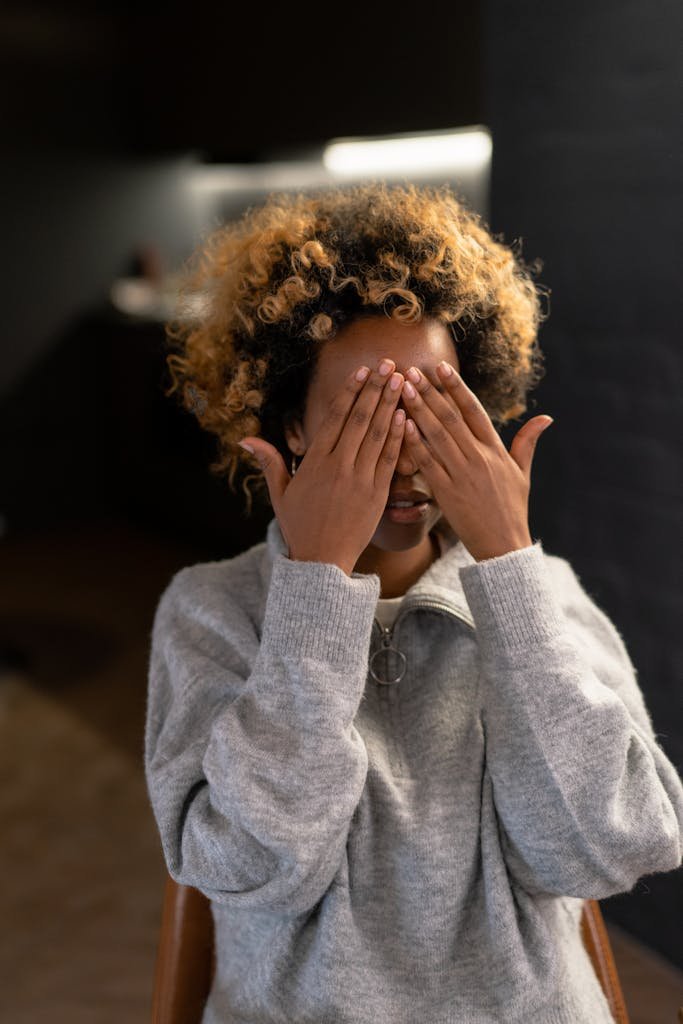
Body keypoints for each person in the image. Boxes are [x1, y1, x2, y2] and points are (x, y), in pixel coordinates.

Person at [144, 181, 683, 1023]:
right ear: (290, 427)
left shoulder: (542, 598)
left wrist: (509, 568)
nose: (408, 459)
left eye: (434, 409)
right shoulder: (209, 611)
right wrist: (317, 591)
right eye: (367, 416)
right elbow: (247, 868)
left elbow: (611, 848)